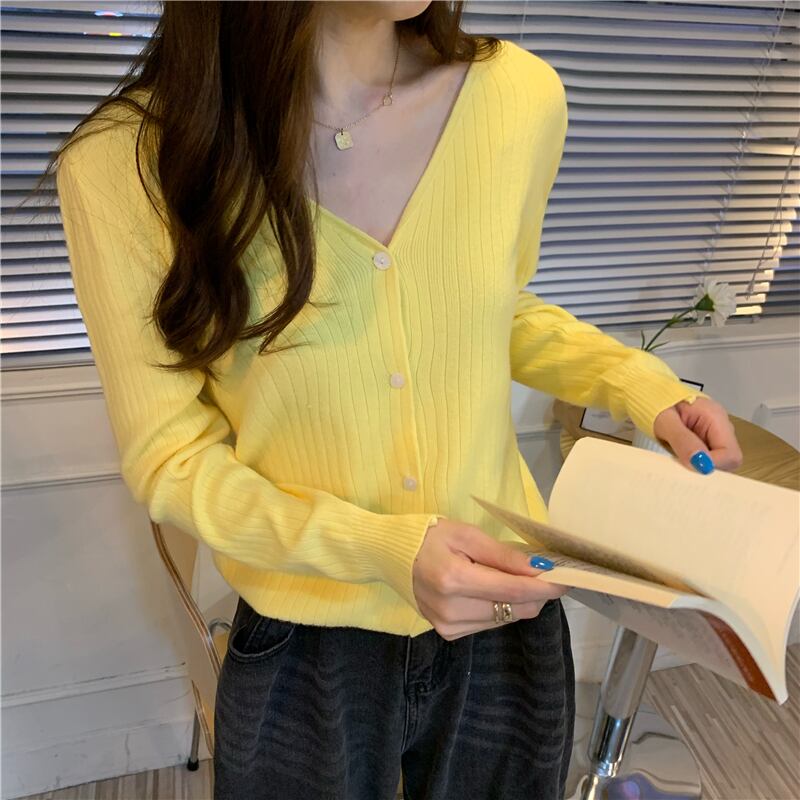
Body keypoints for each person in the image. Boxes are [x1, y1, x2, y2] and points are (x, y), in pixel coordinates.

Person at [52, 2, 743, 799]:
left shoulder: (517, 97)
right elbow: (172, 460)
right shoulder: (127, 164)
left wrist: (639, 385)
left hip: (505, 614)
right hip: (307, 648)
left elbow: (492, 306)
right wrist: (377, 547)